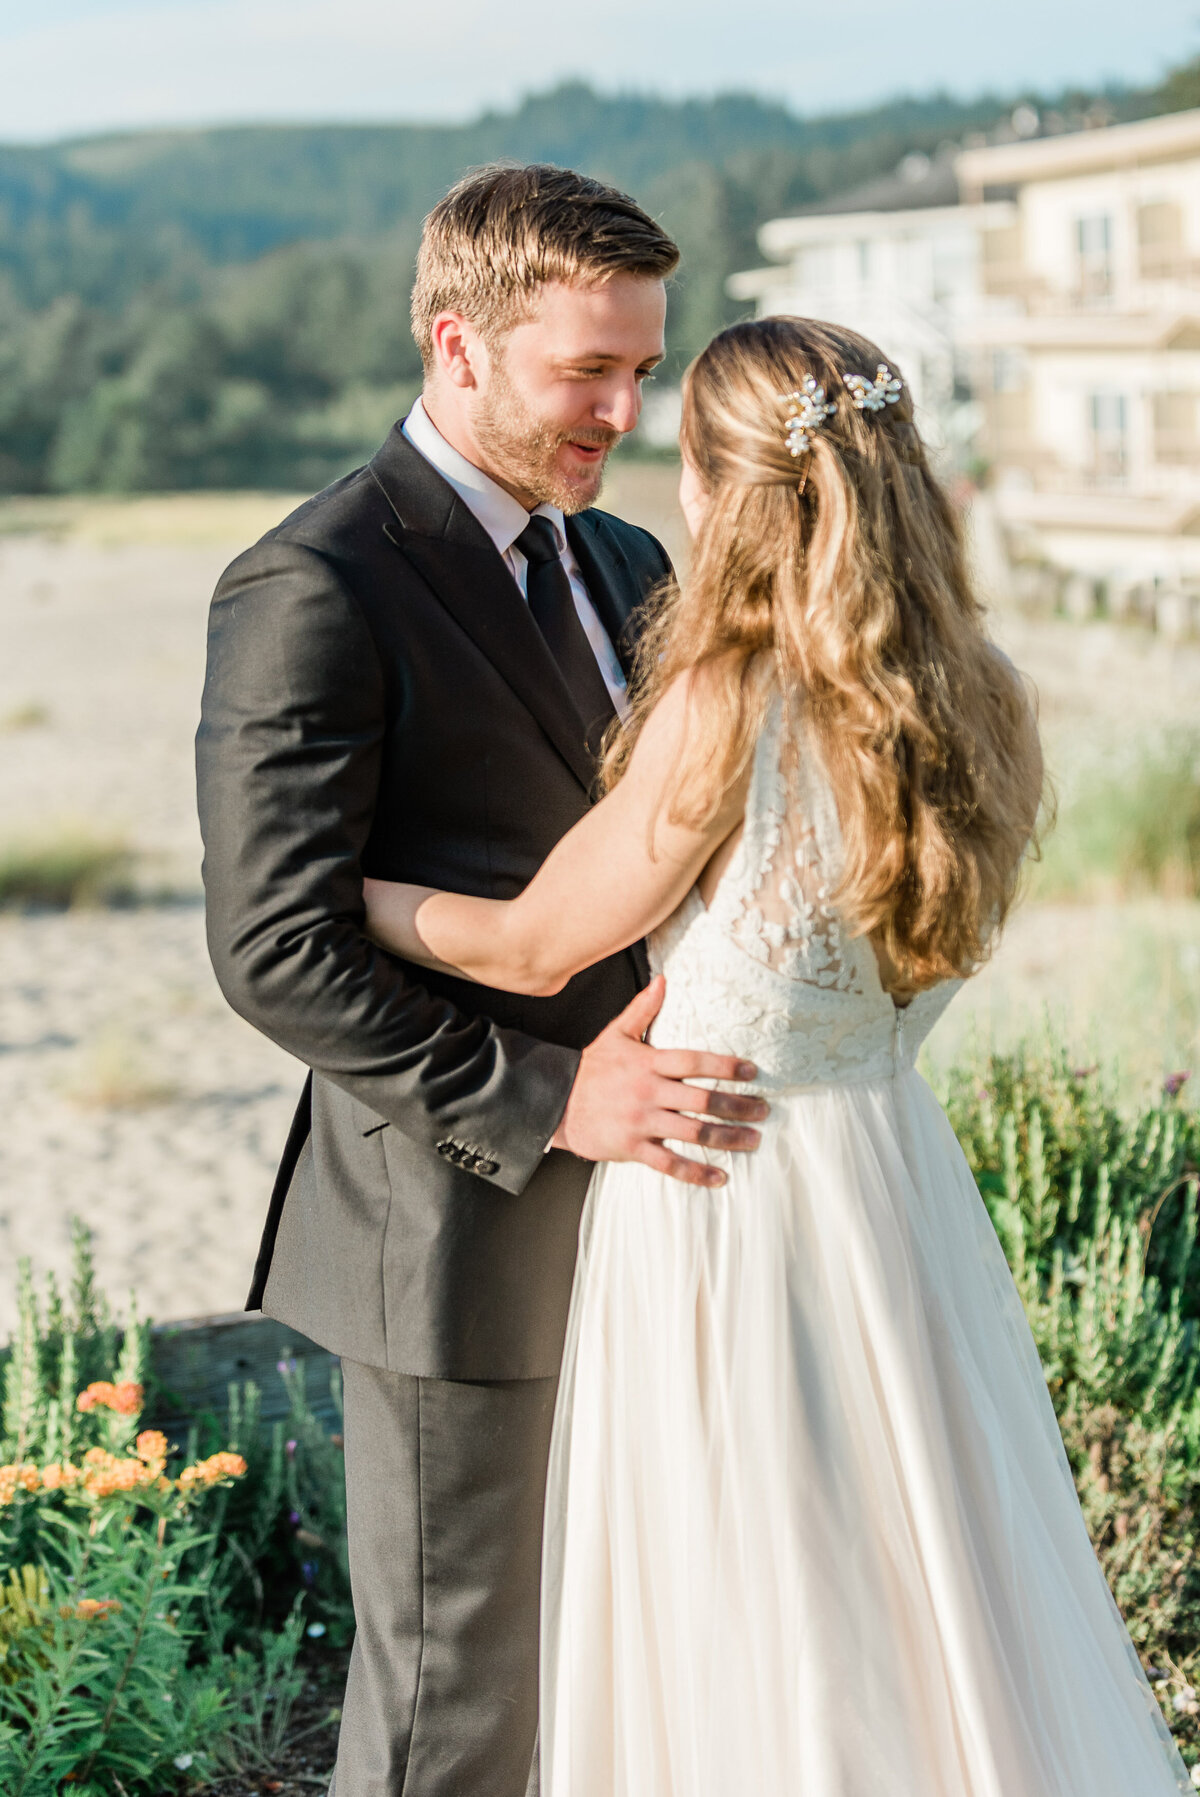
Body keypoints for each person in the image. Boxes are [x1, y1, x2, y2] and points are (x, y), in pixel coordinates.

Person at [361, 316, 1193, 1795]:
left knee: (765, 1606)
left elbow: (533, 942)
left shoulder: (731, 699)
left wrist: (339, 892)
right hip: (895, 1189)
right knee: (922, 1595)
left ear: (728, 489)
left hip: (728, 1196)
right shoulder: (975, 698)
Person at [196, 164, 767, 1797]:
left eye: (642, 367)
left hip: (664, 1213)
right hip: (458, 1235)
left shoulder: (627, 556)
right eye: (586, 370)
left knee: (609, 1673)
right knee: (459, 1711)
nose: (622, 406)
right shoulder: (315, 582)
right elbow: (275, 948)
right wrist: (552, 1095)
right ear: (459, 344)